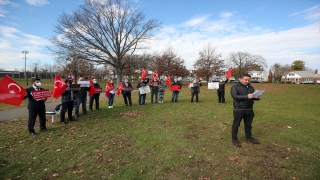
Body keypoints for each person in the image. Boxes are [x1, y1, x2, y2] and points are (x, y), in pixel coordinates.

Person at [230, 74, 262, 147]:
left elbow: (252, 97)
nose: (247, 81)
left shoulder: (251, 87)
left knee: (248, 124)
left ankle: (248, 137)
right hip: (239, 109)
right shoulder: (235, 87)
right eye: (245, 80)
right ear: (240, 79)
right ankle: (234, 139)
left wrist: (257, 97)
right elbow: (235, 96)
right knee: (236, 124)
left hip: (249, 109)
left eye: (248, 80)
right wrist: (246, 96)